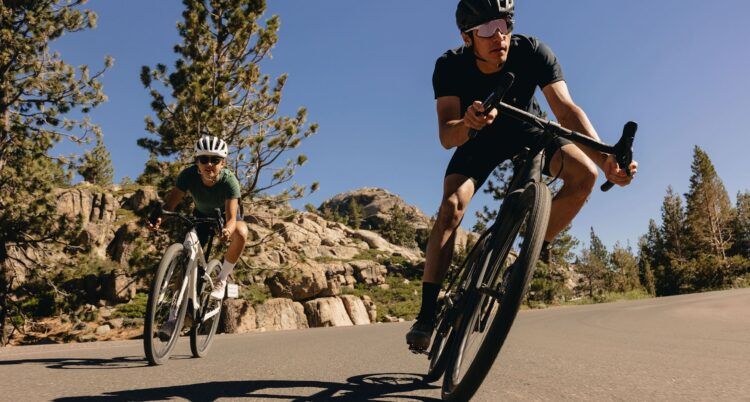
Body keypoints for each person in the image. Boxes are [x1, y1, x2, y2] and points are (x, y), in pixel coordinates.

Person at [405, 0, 638, 351]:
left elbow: (565, 110)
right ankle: (425, 316)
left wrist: (606, 158)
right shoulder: (449, 66)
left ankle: (524, 259)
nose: (497, 35)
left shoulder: (532, 52)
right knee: (451, 207)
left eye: (503, 24)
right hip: (476, 137)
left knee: (585, 176)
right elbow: (445, 134)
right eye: (485, 29)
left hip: (528, 131)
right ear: (467, 37)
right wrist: (468, 124)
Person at [147, 135, 249, 302]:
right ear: (197, 162)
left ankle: (221, 279)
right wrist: (159, 219)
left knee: (241, 232)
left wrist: (227, 231)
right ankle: (177, 310)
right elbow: (169, 206)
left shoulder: (230, 181)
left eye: (215, 160)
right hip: (201, 216)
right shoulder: (187, 175)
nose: (209, 164)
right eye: (204, 159)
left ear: (222, 163)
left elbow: (231, 219)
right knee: (187, 260)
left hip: (225, 217)